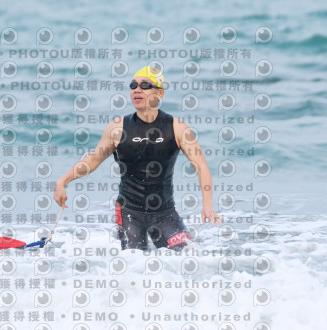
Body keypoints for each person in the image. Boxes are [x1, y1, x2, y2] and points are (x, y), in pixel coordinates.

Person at [53, 66, 222, 251]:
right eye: (133, 85)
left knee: (187, 254)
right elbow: (92, 161)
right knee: (133, 262)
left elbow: (201, 166)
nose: (137, 89)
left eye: (145, 85)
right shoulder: (117, 128)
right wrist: (63, 181)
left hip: (165, 213)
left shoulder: (177, 128)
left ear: (160, 93)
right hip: (129, 213)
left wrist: (207, 205)